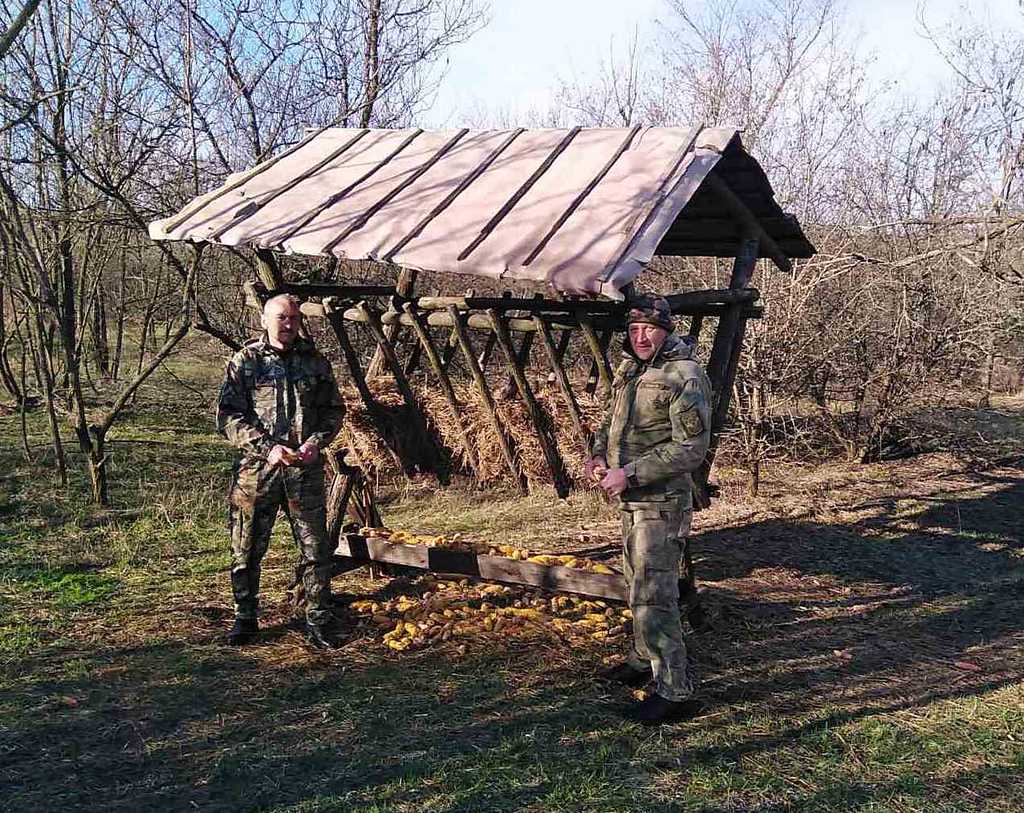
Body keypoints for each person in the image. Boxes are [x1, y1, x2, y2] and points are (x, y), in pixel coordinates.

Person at [585, 295, 712, 725]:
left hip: (660, 502)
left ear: (667, 330)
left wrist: (632, 473)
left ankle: (675, 691)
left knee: (655, 594)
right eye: (634, 329)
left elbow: (691, 448)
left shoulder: (685, 376)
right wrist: (597, 455)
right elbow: (611, 423)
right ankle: (643, 658)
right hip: (632, 500)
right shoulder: (633, 370)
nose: (640, 337)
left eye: (650, 329)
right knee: (635, 583)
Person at [216, 294, 345, 649]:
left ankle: (319, 618)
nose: (289, 325)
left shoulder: (315, 362)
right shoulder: (246, 362)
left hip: (304, 471)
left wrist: (316, 443)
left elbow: (334, 410)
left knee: (315, 549)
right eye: (282, 318)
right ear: (264, 320)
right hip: (257, 473)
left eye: (294, 318)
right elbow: (227, 416)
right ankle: (245, 617)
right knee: (246, 546)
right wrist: (267, 448)